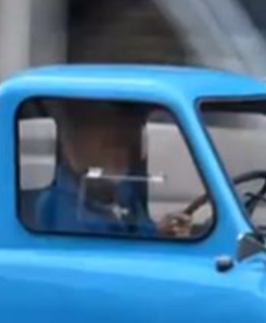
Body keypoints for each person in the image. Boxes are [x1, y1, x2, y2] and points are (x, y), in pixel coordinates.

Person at [31, 100, 192, 237]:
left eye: (125, 144)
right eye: (109, 144)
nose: (122, 154)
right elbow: (101, 258)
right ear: (75, 146)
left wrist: (157, 232)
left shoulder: (120, 189)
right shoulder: (59, 206)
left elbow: (134, 232)